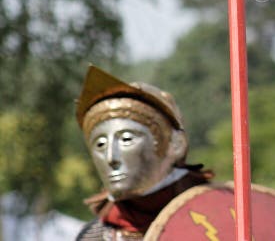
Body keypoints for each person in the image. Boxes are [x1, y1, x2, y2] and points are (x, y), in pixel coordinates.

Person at [74, 65, 212, 240]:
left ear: (175, 145)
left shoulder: (217, 216)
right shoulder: (94, 236)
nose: (111, 158)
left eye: (126, 139)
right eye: (100, 144)